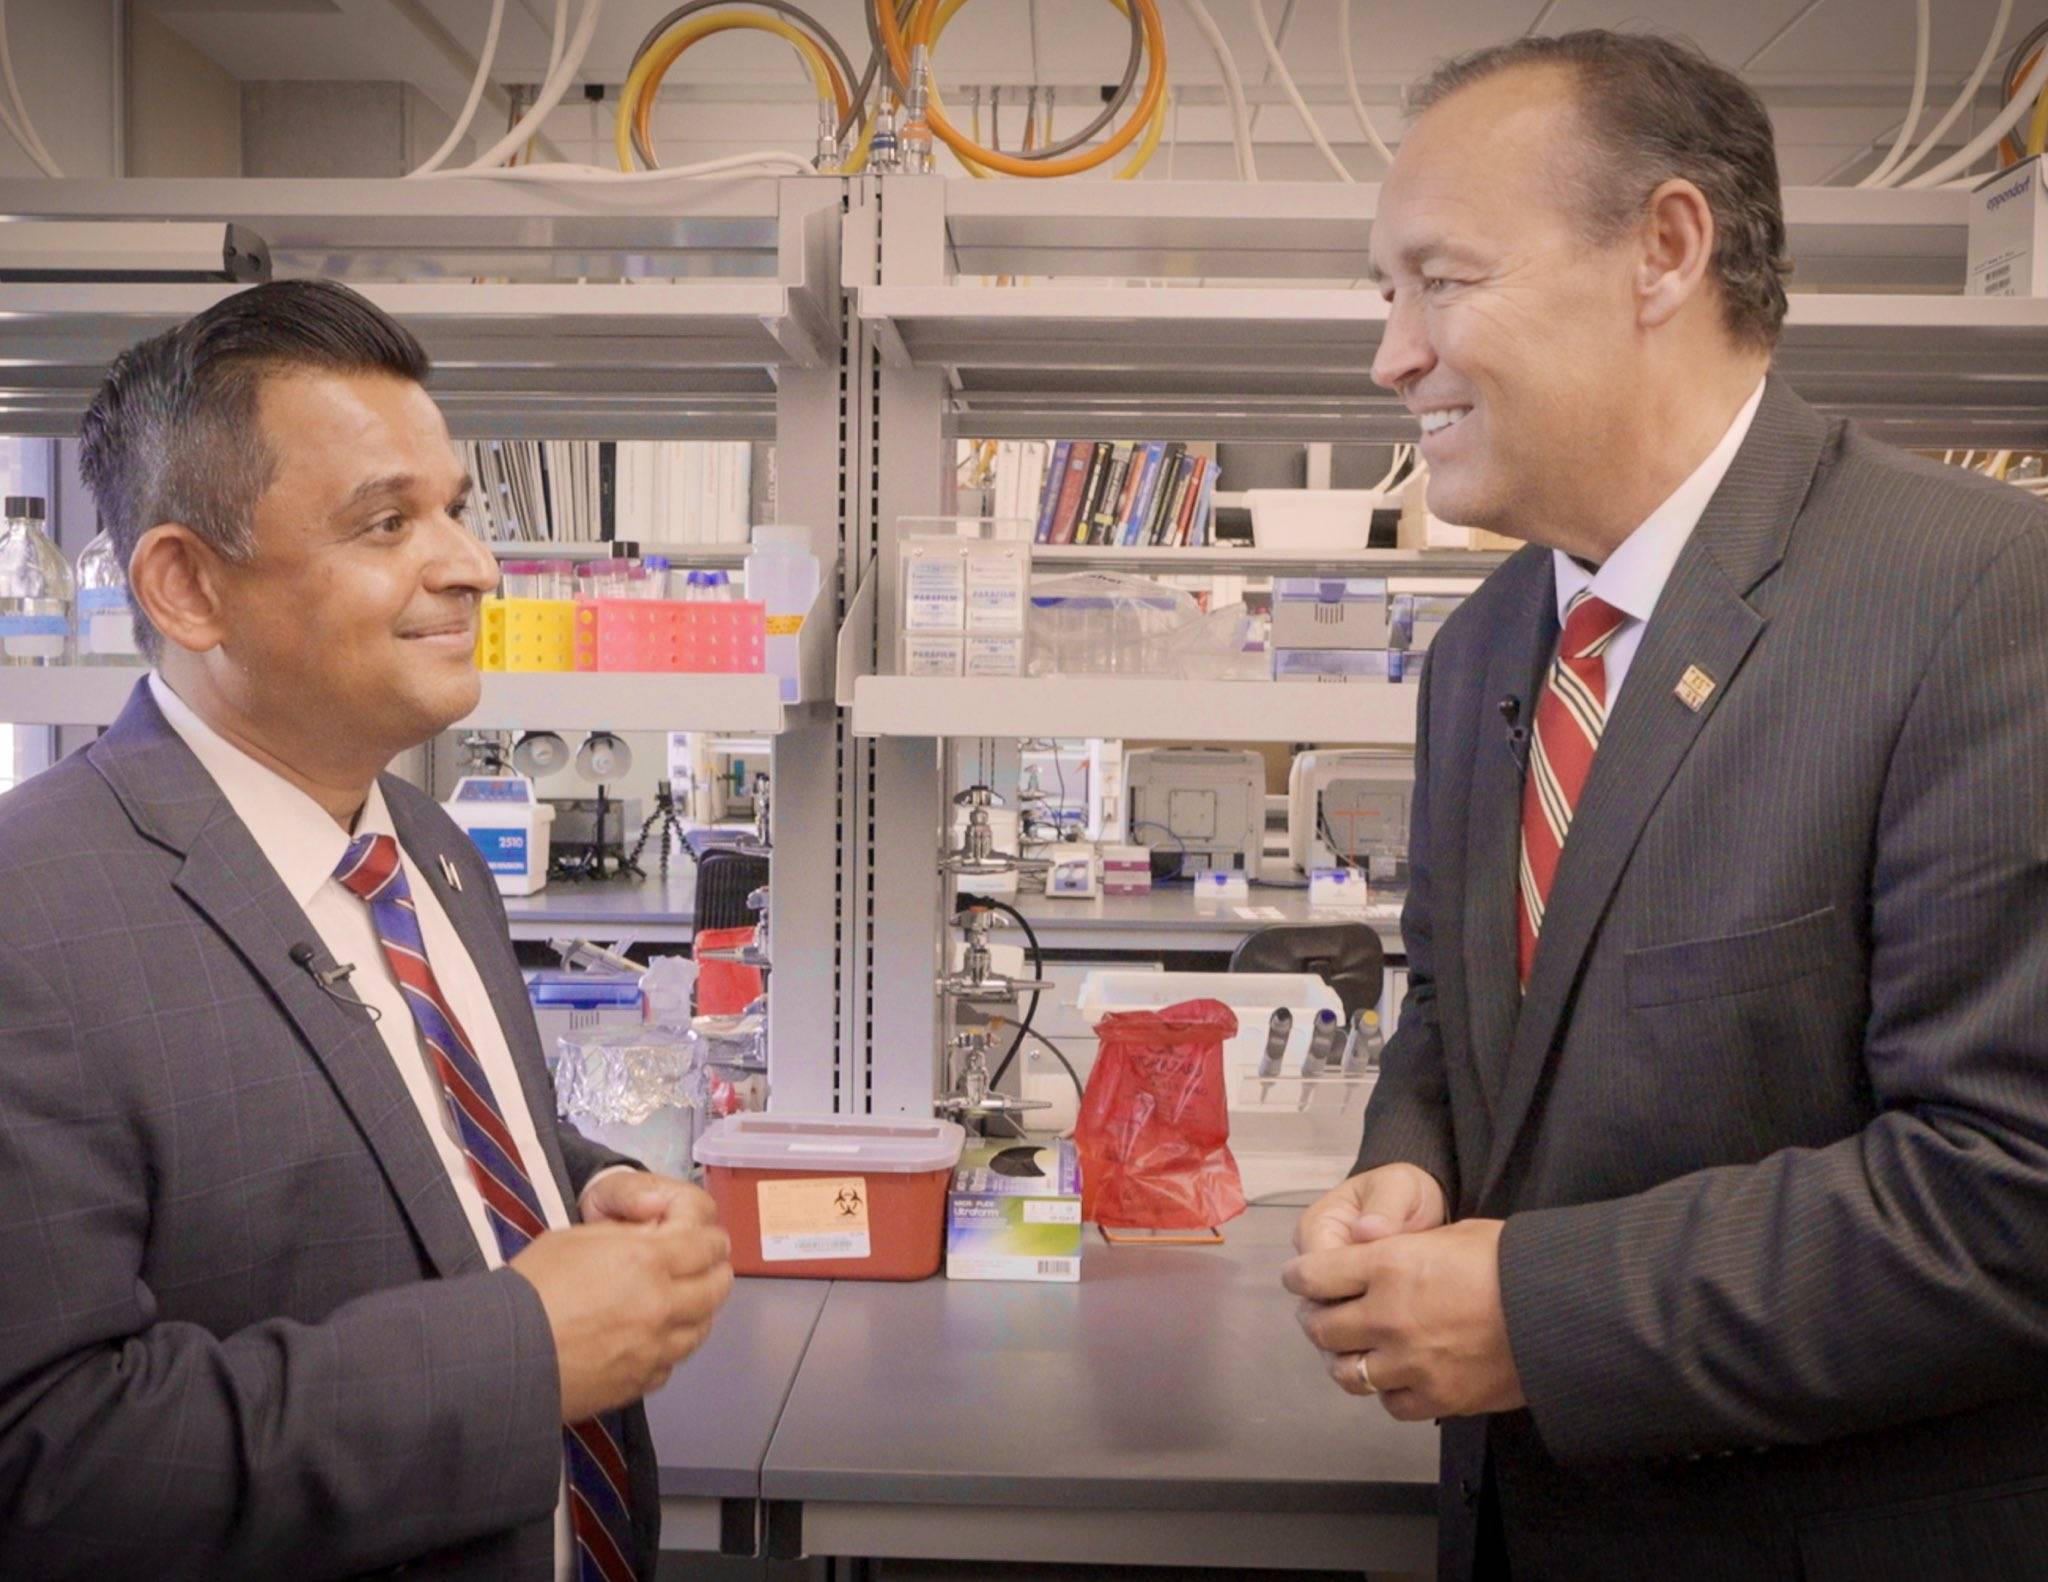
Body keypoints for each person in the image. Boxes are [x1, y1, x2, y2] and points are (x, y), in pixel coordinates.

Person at [1282, 30, 2048, 1582]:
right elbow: (1458, 1011)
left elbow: (2007, 1190)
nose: (1392, 356)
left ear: (1666, 250)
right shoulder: (1489, 647)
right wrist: (1408, 1158)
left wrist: (1532, 1313)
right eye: (1386, 295)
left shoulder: (1977, 593)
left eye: (1442, 279)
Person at [0, 279, 734, 1580]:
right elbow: (50, 1464)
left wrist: (586, 1188)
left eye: (456, 508)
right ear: (188, 586)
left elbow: (406, 1130)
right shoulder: (33, 915)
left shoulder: (430, 850)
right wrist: (527, 1346)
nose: (470, 565)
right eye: (387, 522)